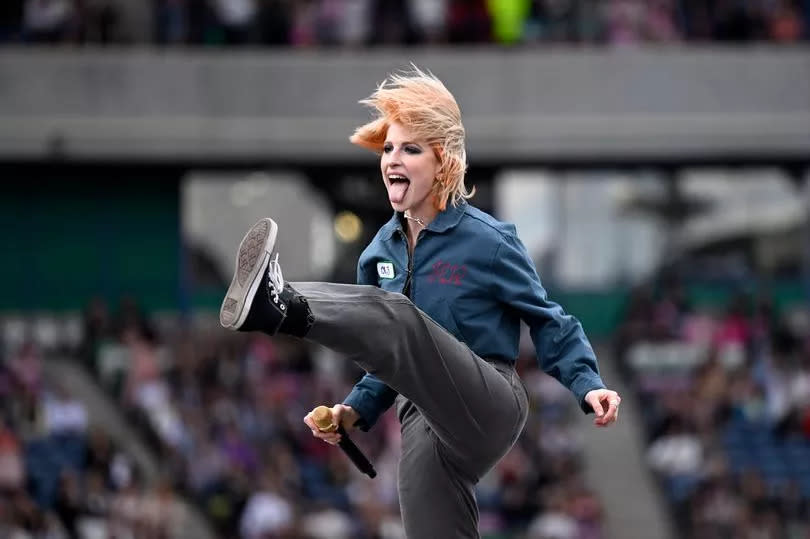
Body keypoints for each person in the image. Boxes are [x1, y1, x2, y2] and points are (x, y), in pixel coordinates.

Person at [219, 66, 621, 538]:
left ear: (444, 161)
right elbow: (385, 354)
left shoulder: (489, 240)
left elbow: (548, 320)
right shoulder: (377, 252)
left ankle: (281, 304)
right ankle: (278, 303)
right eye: (388, 148)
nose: (393, 159)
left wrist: (587, 383)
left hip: (488, 399)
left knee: (399, 316)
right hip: (421, 416)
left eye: (410, 149)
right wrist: (354, 410)